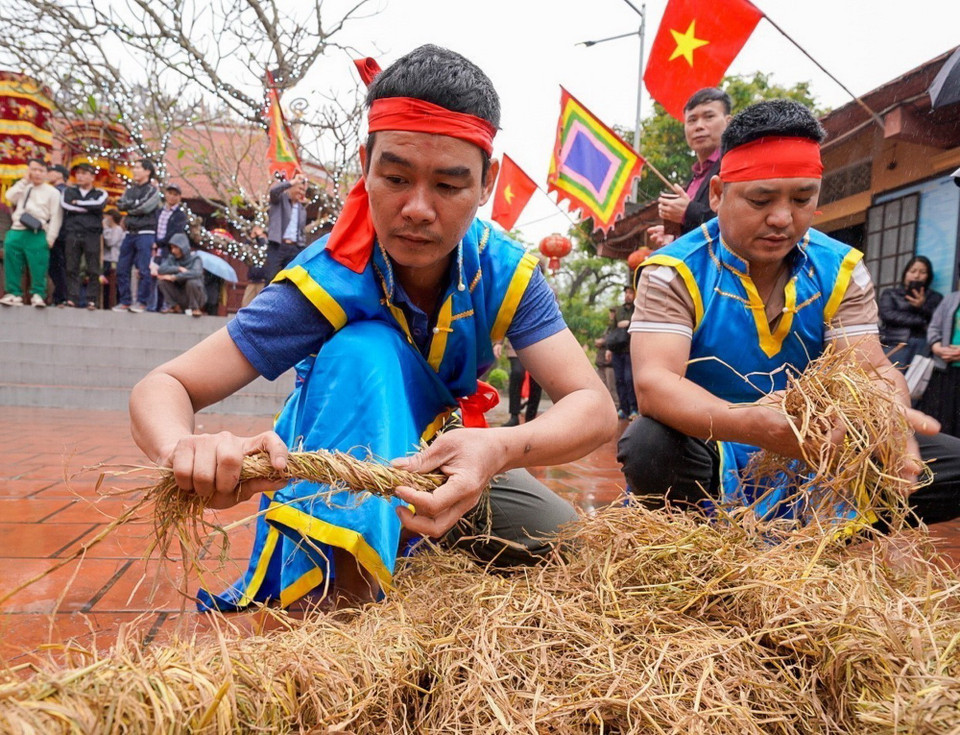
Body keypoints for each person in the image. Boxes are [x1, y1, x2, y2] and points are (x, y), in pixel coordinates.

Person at [129, 45, 617, 612]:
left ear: (488, 181)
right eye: (395, 177)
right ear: (366, 163)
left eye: (449, 186)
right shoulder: (329, 280)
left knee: (568, 550)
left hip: (449, 457)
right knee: (365, 347)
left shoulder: (503, 270)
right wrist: (183, 449)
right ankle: (346, 606)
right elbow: (165, 386)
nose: (417, 208)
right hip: (341, 472)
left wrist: (497, 449)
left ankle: (415, 544)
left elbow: (594, 406)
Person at [618, 99, 960, 528]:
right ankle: (702, 540)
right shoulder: (675, 271)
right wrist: (755, 423)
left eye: (802, 199)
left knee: (946, 466)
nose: (782, 218)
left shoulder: (840, 268)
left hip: (818, 442)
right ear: (718, 193)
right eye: (760, 200)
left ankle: (816, 541)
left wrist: (890, 423)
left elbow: (869, 369)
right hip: (716, 438)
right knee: (650, 444)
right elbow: (654, 385)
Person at [648, 88, 732, 248]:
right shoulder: (694, 179)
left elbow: (738, 223)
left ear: (728, 122)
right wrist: (675, 236)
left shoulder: (735, 166)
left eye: (709, 117)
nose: (699, 126)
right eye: (692, 120)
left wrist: (688, 212)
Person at [0, 158, 63, 307]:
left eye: (41, 170)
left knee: (38, 265)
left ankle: (38, 294)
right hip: (17, 230)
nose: (37, 173)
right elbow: (9, 197)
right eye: (34, 169)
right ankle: (13, 293)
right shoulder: (24, 187)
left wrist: (51, 237)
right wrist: (23, 181)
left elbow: (56, 216)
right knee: (12, 262)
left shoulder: (52, 192)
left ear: (46, 173)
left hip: (37, 231)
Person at [113, 159, 161, 313]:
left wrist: (130, 208)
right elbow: (120, 204)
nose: (134, 170)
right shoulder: (130, 190)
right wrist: (133, 206)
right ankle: (125, 301)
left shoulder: (153, 191)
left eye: (138, 167)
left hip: (145, 233)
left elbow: (146, 208)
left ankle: (142, 302)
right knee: (122, 267)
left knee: (143, 269)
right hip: (129, 233)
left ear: (147, 171)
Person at [878, 256, 942, 369]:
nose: (917, 276)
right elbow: (887, 315)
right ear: (905, 274)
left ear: (928, 276)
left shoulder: (935, 297)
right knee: (892, 379)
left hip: (923, 344)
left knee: (916, 382)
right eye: (913, 271)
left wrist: (922, 306)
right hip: (896, 342)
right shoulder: (891, 294)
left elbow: (939, 320)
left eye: (922, 272)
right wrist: (921, 321)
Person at [60, 162, 109, 309]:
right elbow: (66, 205)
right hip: (73, 233)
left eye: (84, 173)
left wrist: (78, 204)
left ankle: (91, 300)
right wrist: (88, 206)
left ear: (92, 177)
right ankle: (72, 299)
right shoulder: (68, 192)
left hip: (92, 234)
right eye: (78, 173)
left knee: (93, 268)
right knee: (71, 267)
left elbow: (99, 205)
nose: (80, 176)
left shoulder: (100, 193)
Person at [920, 286, 960, 437]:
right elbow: (934, 327)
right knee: (943, 418)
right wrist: (937, 347)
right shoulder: (950, 299)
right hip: (945, 370)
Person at [150, 182, 189, 312]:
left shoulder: (180, 216)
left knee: (165, 278)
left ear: (179, 197)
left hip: (169, 251)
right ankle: (152, 305)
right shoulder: (158, 212)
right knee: (151, 277)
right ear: (165, 194)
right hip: (155, 251)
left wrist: (159, 243)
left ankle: (166, 305)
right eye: (170, 193)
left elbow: (174, 234)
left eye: (175, 195)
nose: (172, 197)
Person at [264, 173, 308, 282]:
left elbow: (301, 231)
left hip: (294, 247)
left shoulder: (302, 210)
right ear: (291, 187)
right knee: (271, 277)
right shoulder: (280, 199)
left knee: (291, 279)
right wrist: (292, 181)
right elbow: (273, 191)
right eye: (299, 188)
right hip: (278, 245)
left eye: (303, 190)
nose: (301, 192)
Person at [606, 285, 639, 420]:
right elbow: (612, 329)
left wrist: (629, 322)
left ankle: (634, 409)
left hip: (630, 350)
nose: (628, 295)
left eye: (630, 292)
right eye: (626, 292)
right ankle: (623, 409)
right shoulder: (619, 310)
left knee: (629, 379)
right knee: (619, 379)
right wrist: (609, 348)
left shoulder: (638, 309)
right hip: (617, 350)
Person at [155, 232, 205, 317]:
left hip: (194, 295)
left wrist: (175, 277)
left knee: (192, 282)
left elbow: (196, 272)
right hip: (179, 293)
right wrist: (178, 269)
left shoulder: (195, 259)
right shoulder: (172, 259)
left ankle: (195, 308)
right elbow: (161, 270)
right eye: (171, 248)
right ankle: (174, 306)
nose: (173, 251)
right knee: (162, 281)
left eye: (176, 248)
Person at [499, 337, 542, 426]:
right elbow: (502, 322)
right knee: (517, 372)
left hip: (538, 342)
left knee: (537, 377)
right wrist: (499, 342)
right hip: (516, 340)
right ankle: (514, 416)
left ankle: (530, 418)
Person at [46, 163, 70, 306]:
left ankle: (61, 296)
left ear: (60, 174)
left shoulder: (59, 191)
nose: (48, 174)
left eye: (52, 171)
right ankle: (59, 296)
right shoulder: (64, 191)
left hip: (58, 233)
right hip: (62, 233)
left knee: (56, 265)